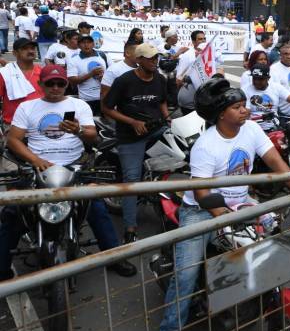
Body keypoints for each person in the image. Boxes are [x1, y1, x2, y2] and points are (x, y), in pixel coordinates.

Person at [157, 78, 290, 331]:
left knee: (276, 241)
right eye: (237, 107)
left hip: (242, 205)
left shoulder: (251, 129)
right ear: (222, 114)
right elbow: (201, 193)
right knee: (185, 274)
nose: (245, 110)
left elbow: (274, 159)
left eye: (244, 105)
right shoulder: (206, 145)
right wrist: (223, 218)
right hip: (202, 211)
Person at [0, 65, 136, 281]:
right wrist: (35, 160)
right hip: (37, 169)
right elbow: (13, 140)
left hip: (74, 167)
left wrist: (78, 130)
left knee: (96, 207)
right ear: (41, 84)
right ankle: (2, 269)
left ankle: (114, 257)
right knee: (13, 211)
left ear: (66, 85)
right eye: (50, 83)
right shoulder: (27, 107)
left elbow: (93, 136)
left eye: (60, 83)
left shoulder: (79, 105)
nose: (55, 87)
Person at [102, 43, 169, 243]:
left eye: (156, 57)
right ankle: (130, 229)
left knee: (183, 158)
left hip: (157, 130)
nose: (155, 61)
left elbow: (162, 101)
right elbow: (106, 108)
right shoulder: (124, 80)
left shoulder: (160, 79)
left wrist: (167, 118)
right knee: (132, 181)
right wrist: (132, 122)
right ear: (139, 60)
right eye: (150, 58)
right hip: (131, 136)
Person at [243, 63, 290, 130]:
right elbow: (246, 112)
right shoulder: (245, 90)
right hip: (253, 130)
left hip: (274, 129)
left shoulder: (276, 87)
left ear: (268, 78)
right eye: (254, 78)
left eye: (260, 79)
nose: (256, 81)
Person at [0, 38, 43, 125]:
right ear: (15, 53)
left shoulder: (43, 72)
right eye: (25, 48)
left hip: (39, 123)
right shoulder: (5, 73)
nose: (30, 51)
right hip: (13, 125)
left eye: (32, 48)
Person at [67, 32, 108, 116]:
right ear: (78, 45)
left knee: (104, 123)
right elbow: (72, 81)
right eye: (83, 42)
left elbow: (110, 76)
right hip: (86, 101)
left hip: (104, 98)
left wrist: (103, 77)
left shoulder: (102, 56)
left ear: (93, 44)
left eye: (89, 42)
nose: (86, 45)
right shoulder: (73, 60)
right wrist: (91, 74)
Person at [101, 38, 139, 103]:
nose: (141, 54)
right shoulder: (113, 70)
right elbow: (104, 98)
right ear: (127, 53)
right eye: (138, 51)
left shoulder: (144, 69)